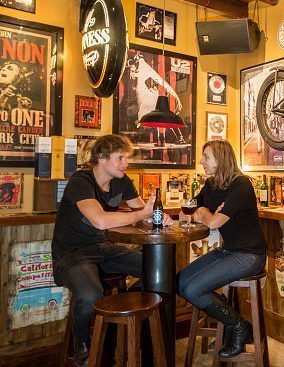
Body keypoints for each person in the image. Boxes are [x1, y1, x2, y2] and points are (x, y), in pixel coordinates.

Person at [51, 134, 173, 366]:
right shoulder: (81, 182)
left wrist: (158, 218)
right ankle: (83, 342)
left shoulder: (122, 181)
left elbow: (143, 215)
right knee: (90, 295)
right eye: (120, 158)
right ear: (102, 158)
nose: (125, 164)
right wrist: (141, 215)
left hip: (103, 249)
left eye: (125, 159)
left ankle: (121, 308)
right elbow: (100, 221)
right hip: (72, 253)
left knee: (160, 272)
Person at [178, 140, 267, 360]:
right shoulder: (211, 185)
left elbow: (215, 222)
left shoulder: (241, 184)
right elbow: (186, 212)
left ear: (221, 159)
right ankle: (232, 318)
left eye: (206, 157)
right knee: (180, 283)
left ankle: (237, 326)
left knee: (192, 290)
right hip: (228, 252)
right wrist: (203, 213)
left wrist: (206, 215)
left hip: (250, 255)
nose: (201, 161)